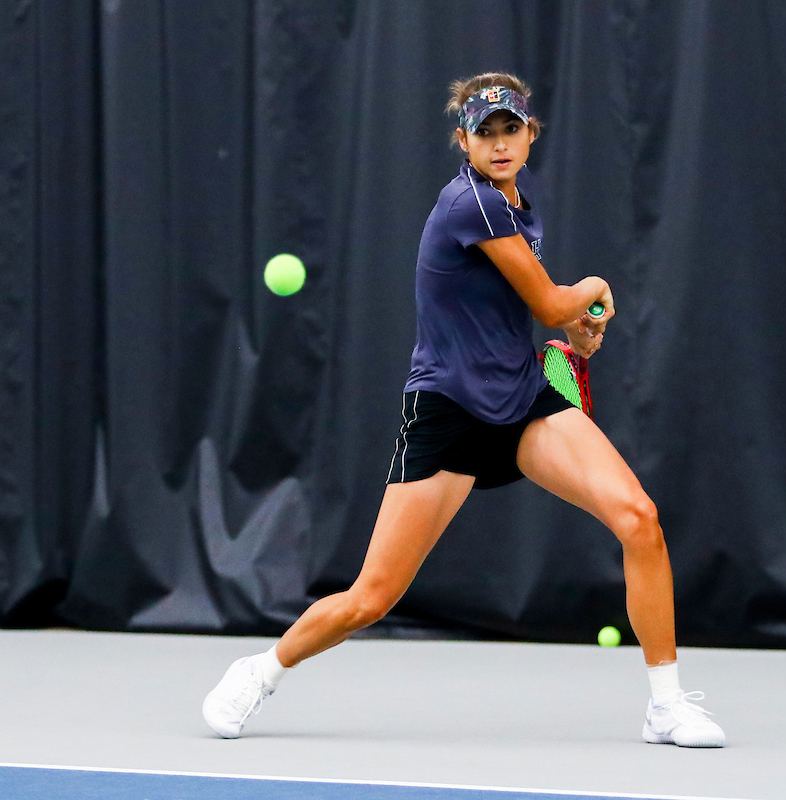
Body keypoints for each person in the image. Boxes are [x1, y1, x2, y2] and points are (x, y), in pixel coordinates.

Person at [202, 72, 725, 748]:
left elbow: (531, 311)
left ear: (530, 135)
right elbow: (549, 302)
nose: (500, 143)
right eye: (486, 133)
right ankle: (262, 670)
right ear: (464, 141)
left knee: (639, 518)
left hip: (521, 401)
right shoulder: (469, 205)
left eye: (512, 129)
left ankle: (666, 704)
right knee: (373, 597)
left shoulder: (515, 205)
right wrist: (590, 292)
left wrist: (579, 329)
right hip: (448, 411)